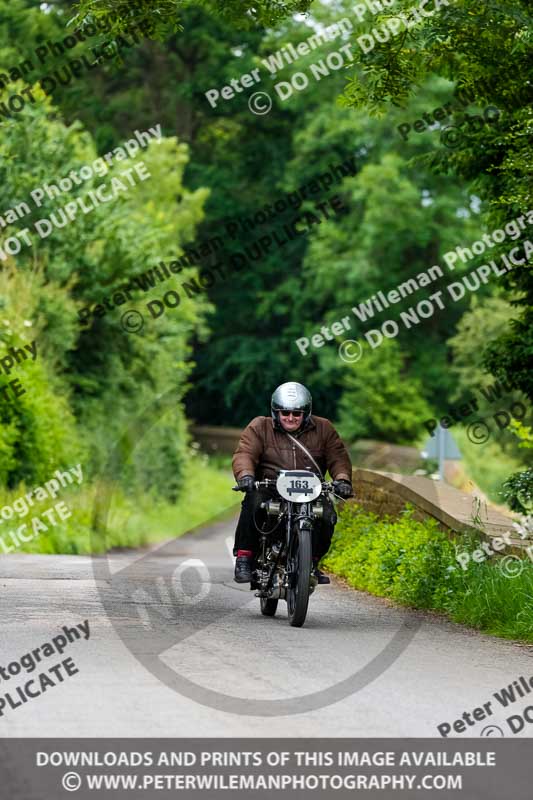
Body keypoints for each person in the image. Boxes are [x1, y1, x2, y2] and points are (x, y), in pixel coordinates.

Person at [232, 381, 353, 584]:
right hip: (271, 486)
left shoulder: (324, 428)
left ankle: (312, 563)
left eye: (297, 414)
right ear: (275, 412)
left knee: (327, 514)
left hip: (311, 489)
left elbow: (338, 457)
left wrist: (342, 479)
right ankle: (245, 557)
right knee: (253, 500)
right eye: (285, 413)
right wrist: (246, 475)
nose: (291, 418)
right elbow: (245, 452)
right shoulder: (260, 426)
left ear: (306, 413)